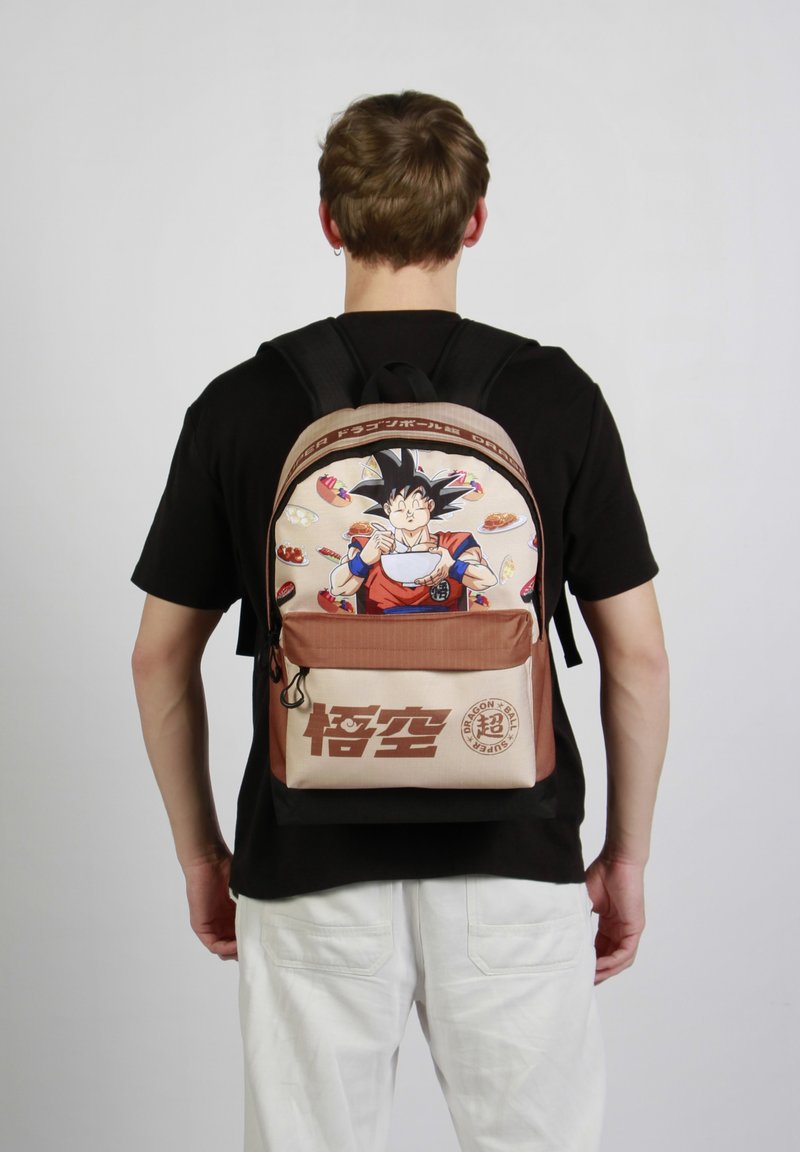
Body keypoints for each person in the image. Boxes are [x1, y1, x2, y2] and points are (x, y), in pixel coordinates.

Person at [131, 91, 669, 1152]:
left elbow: (158, 659)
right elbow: (639, 659)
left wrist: (202, 853)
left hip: (304, 860)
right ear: (475, 220)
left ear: (328, 219)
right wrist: (625, 856)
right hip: (515, 854)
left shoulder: (239, 404)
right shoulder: (557, 396)